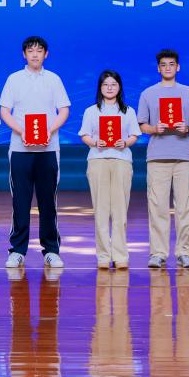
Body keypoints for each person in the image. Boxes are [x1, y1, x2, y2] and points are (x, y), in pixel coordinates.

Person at [0, 35, 71, 268]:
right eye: (31, 50)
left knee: (48, 201)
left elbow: (64, 110)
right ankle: (17, 250)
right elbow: (5, 111)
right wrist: (22, 131)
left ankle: (51, 250)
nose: (35, 54)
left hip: (48, 148)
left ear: (46, 54)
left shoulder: (54, 79)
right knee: (20, 201)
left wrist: (49, 130)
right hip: (20, 148)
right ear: (24, 54)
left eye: (39, 50)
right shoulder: (14, 79)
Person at [136, 49, 189, 269]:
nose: (168, 68)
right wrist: (155, 128)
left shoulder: (188, 92)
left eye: (171, 64)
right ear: (158, 68)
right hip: (157, 157)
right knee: (157, 207)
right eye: (163, 64)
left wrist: (188, 128)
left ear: (178, 67)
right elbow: (142, 125)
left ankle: (185, 252)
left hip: (183, 156)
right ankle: (158, 253)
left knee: (185, 207)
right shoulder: (148, 93)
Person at [78, 70, 139, 268]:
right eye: (105, 85)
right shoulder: (91, 111)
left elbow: (134, 135)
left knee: (120, 211)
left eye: (113, 84)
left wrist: (125, 143)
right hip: (98, 160)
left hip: (122, 161)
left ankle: (120, 256)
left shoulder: (128, 111)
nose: (109, 88)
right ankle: (103, 256)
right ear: (100, 88)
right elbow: (84, 135)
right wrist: (95, 142)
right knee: (101, 210)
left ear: (119, 87)